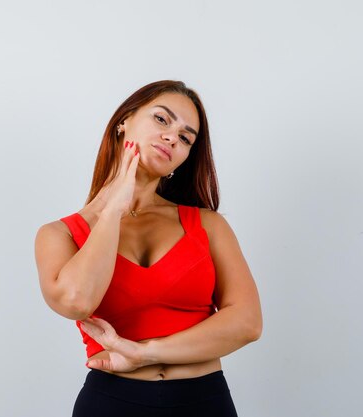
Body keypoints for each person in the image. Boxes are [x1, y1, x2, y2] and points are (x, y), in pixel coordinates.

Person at [34, 80, 263, 417]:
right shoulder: (59, 235)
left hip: (204, 402)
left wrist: (146, 353)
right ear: (123, 120)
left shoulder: (207, 225)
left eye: (186, 138)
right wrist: (112, 209)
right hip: (111, 403)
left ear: (185, 158)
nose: (172, 136)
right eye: (161, 119)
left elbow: (248, 323)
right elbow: (77, 300)